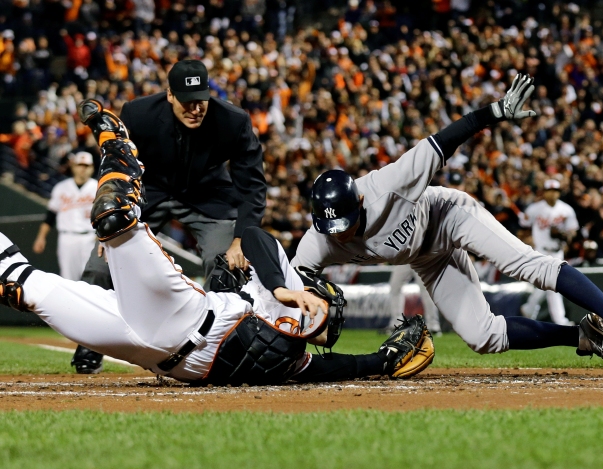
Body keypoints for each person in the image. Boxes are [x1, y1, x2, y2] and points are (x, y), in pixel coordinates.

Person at [0, 106, 434, 386]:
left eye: (326, 316)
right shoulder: (285, 283)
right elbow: (261, 240)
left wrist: (381, 361)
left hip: (147, 349)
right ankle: (119, 148)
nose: (321, 313)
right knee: (113, 219)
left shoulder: (298, 362)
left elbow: (342, 367)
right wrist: (284, 288)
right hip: (184, 318)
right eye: (323, 304)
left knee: (21, 285)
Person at [292, 73, 603, 369]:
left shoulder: (388, 184)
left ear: (359, 201)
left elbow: (445, 140)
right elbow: (287, 283)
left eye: (346, 224)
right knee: (482, 336)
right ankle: (585, 336)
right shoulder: (317, 241)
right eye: (332, 230)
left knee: (527, 264)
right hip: (426, 258)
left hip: (447, 216)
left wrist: (495, 111)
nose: (340, 236)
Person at [72, 59, 267, 373]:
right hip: (152, 193)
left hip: (208, 196)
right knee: (100, 265)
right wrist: (110, 220)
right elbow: (117, 167)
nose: (195, 109)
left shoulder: (233, 121)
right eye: (186, 102)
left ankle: (226, 344)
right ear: (170, 96)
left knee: (227, 263)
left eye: (200, 101)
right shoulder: (138, 114)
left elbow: (252, 184)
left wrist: (242, 238)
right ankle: (89, 344)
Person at [518, 178, 578, 326]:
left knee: (550, 285)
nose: (552, 194)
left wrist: (565, 235)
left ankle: (529, 309)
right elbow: (523, 227)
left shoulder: (566, 209)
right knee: (551, 285)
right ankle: (560, 321)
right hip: (540, 252)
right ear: (544, 192)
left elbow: (573, 231)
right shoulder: (534, 209)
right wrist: (527, 240)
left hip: (557, 252)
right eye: (549, 190)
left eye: (555, 191)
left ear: (559, 192)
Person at [31, 152, 97, 281]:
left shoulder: (98, 187)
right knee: (68, 279)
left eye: (86, 165)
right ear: (73, 166)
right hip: (67, 238)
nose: (82, 169)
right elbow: (50, 215)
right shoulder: (61, 187)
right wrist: (41, 237)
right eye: (79, 165)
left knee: (91, 280)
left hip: (91, 238)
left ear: (92, 167)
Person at [387, 265, 442, 336]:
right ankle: (397, 324)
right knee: (395, 286)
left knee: (426, 290)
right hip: (405, 257)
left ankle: (433, 326)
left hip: (420, 258)